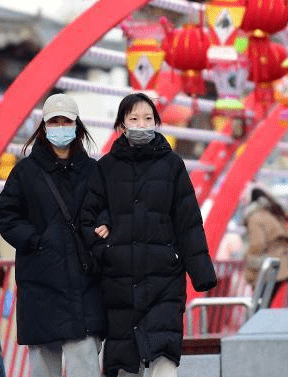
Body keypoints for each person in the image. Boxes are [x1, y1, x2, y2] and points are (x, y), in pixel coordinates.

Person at [81, 92, 216, 377]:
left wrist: (201, 273)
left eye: (148, 118)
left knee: (164, 359)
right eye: (134, 119)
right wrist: (104, 246)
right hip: (119, 283)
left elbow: (188, 221)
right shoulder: (106, 167)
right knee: (125, 365)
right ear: (121, 125)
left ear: (156, 122)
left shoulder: (172, 165)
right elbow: (88, 217)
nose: (141, 125)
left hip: (163, 278)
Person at [0, 93, 105, 377]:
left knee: (85, 364)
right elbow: (6, 215)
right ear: (43, 127)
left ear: (77, 125)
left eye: (65, 121)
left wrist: (103, 229)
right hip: (41, 282)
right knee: (43, 366)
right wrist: (34, 240)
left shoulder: (93, 171)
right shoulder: (25, 172)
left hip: (84, 282)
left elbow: (108, 210)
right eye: (53, 121)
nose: (60, 127)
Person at [243, 187, 288, 307]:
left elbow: (257, 244)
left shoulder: (255, 217)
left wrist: (250, 271)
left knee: (259, 306)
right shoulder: (273, 214)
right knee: (265, 305)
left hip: (266, 269)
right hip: (281, 266)